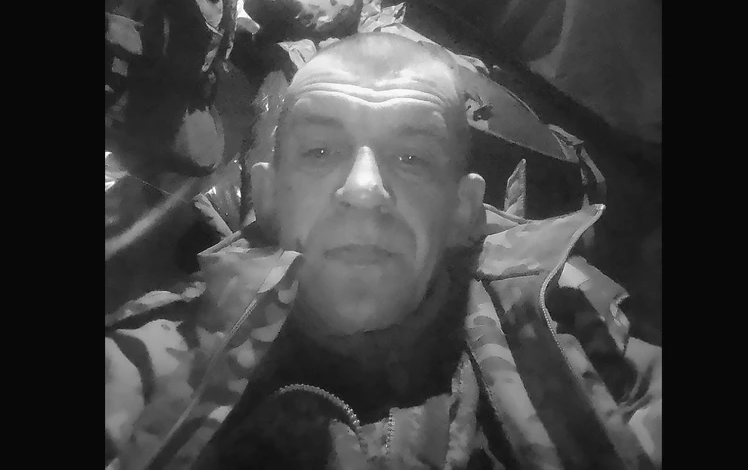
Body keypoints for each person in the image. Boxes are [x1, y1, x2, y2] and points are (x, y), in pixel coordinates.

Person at [105, 33, 661, 470]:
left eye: (412, 158)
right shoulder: (149, 362)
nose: (364, 190)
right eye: (321, 151)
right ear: (268, 198)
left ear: (462, 212)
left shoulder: (574, 331)